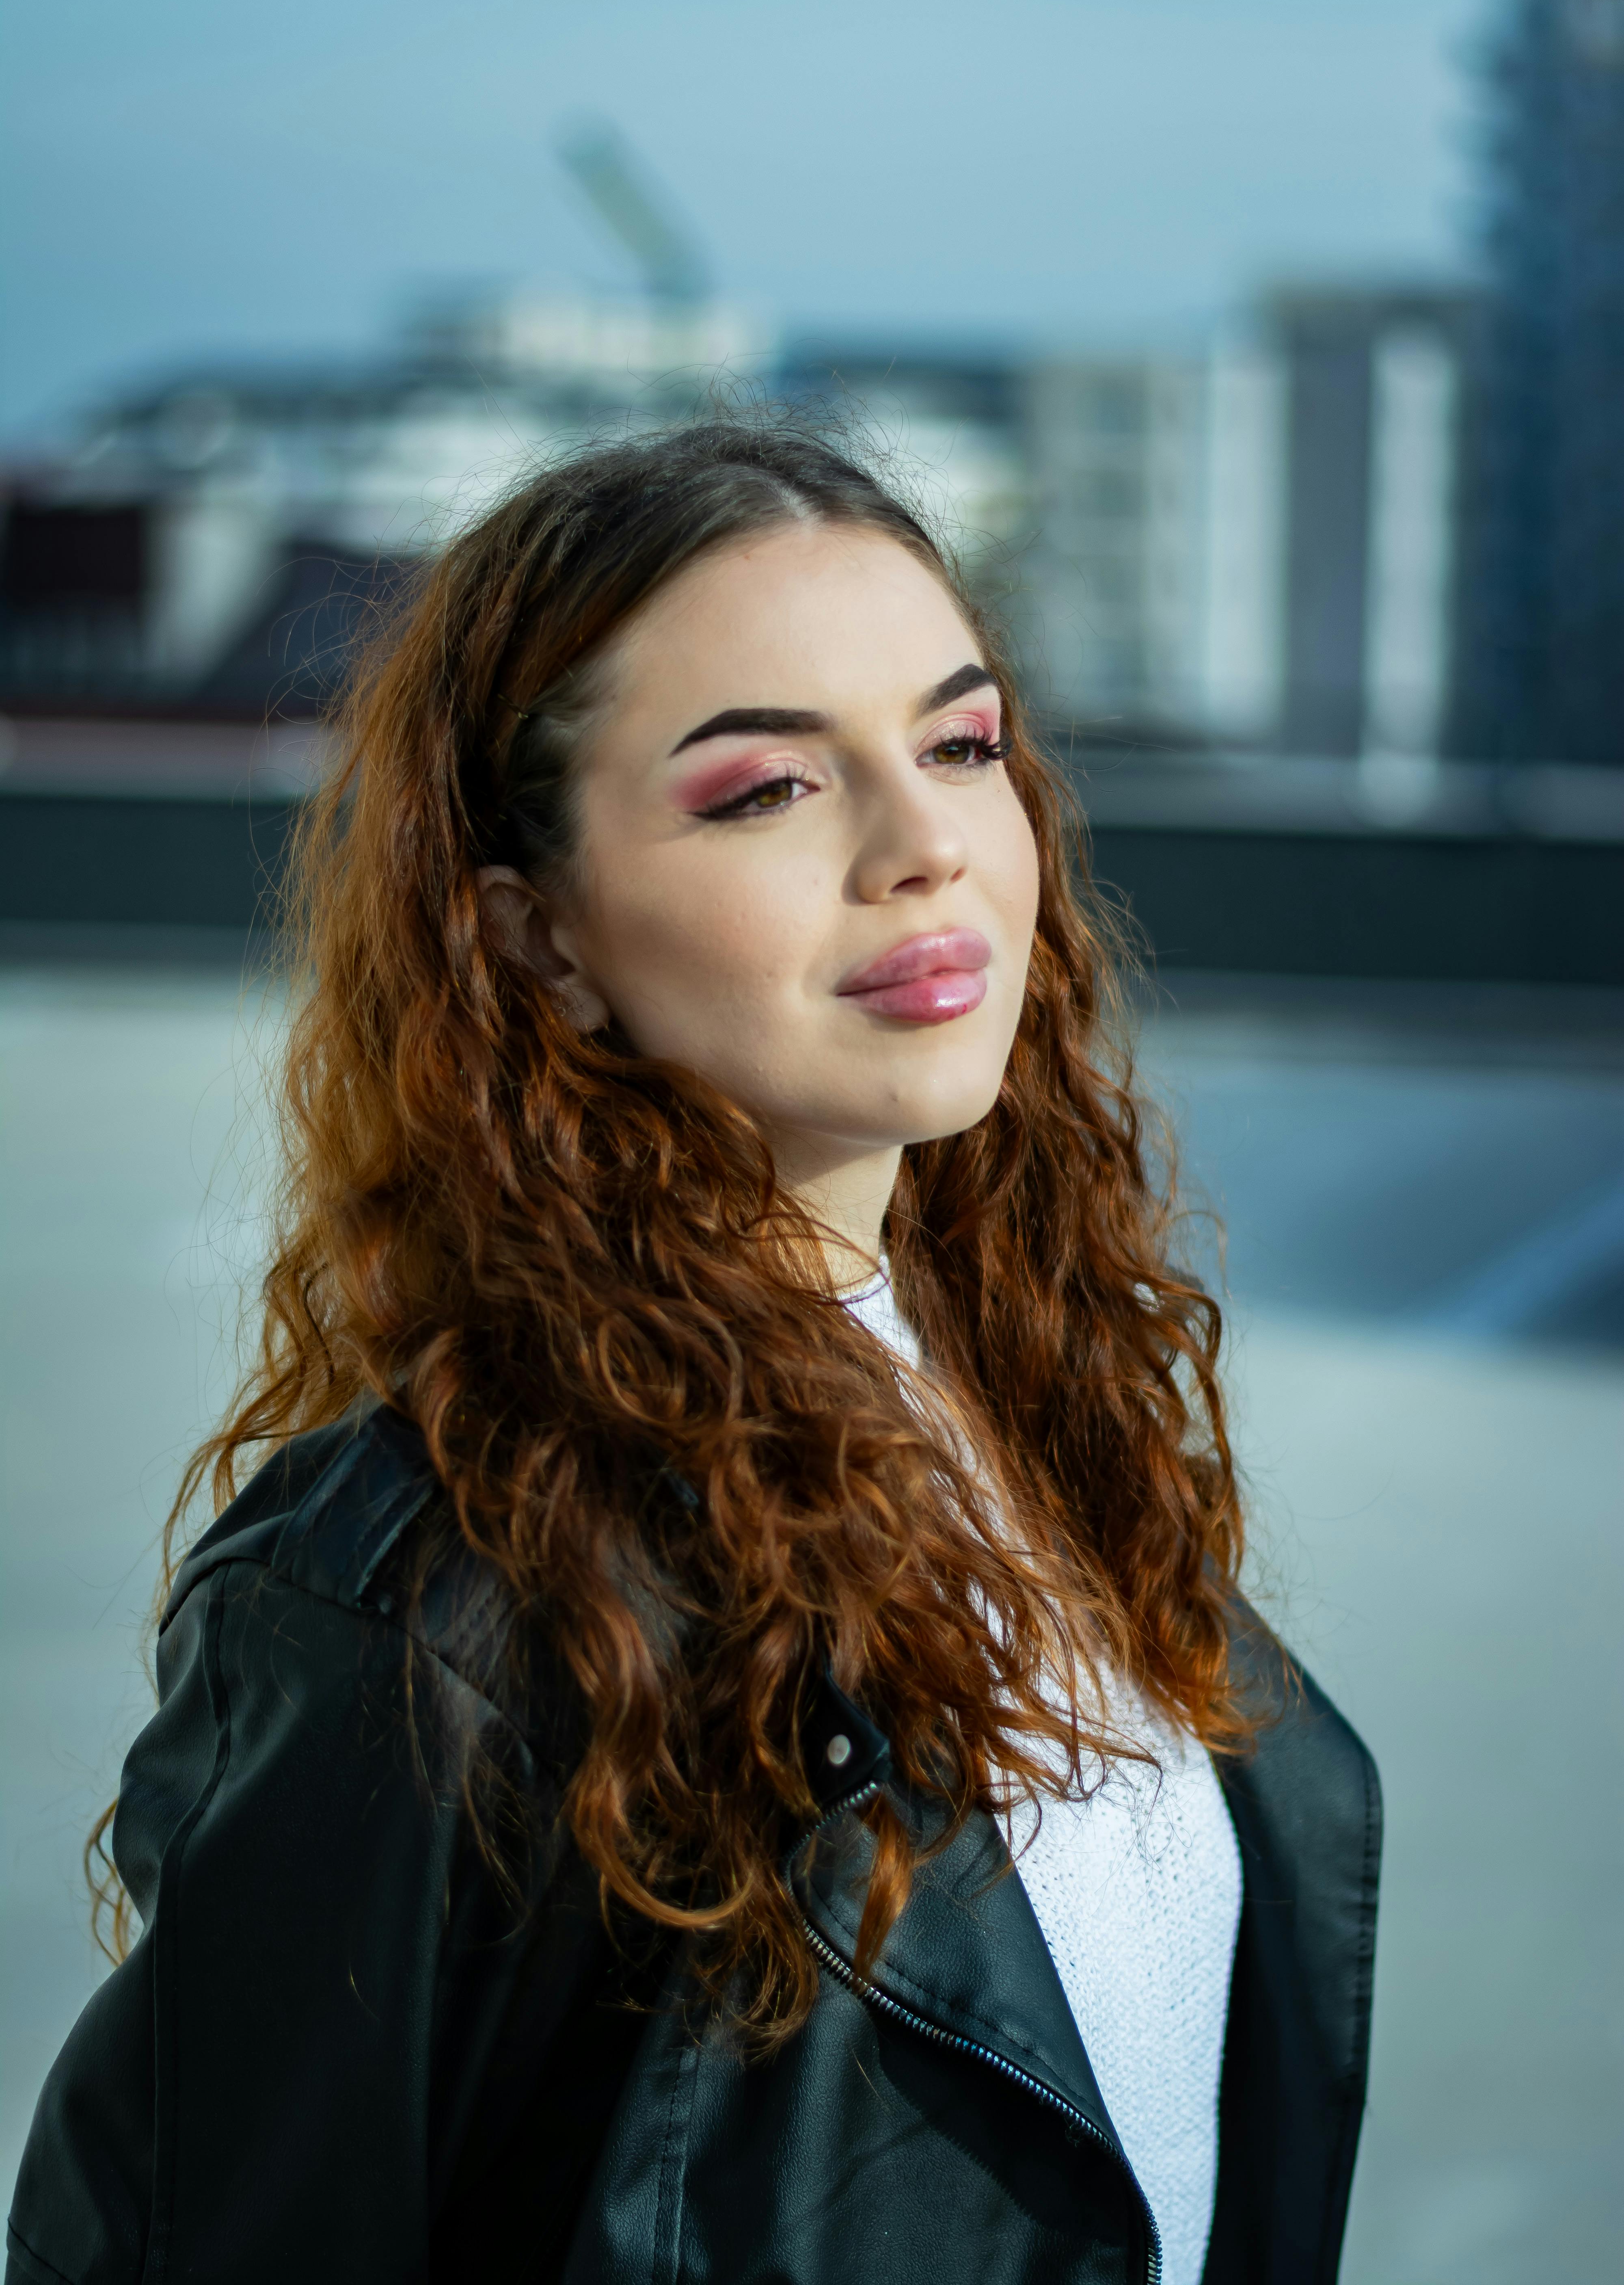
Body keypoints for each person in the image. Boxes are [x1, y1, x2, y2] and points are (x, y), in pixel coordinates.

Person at [6, 420, 1379, 2285]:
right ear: (539, 939)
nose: (921, 851)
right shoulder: (433, 1603)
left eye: (960, 745)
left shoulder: (1034, 1416)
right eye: (764, 794)